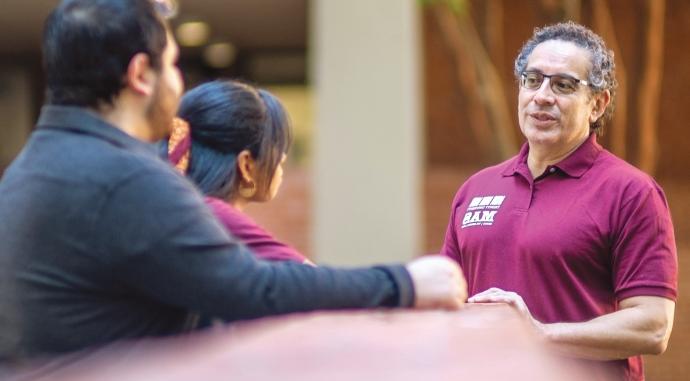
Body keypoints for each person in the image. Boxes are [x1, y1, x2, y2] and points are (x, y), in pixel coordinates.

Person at [0, 0, 467, 361]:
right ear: (141, 74)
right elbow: (252, 289)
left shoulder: (24, 174)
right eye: (173, 63)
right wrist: (405, 282)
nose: (178, 83)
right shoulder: (125, 179)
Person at [441, 22, 676, 381]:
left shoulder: (631, 192)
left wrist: (540, 335)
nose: (542, 96)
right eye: (532, 80)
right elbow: (444, 301)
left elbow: (653, 326)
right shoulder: (476, 188)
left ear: (597, 104)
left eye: (563, 85)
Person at [164, 80, 310, 265]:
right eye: (276, 152)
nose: (282, 158)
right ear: (246, 166)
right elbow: (314, 282)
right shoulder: (212, 213)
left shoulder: (182, 209)